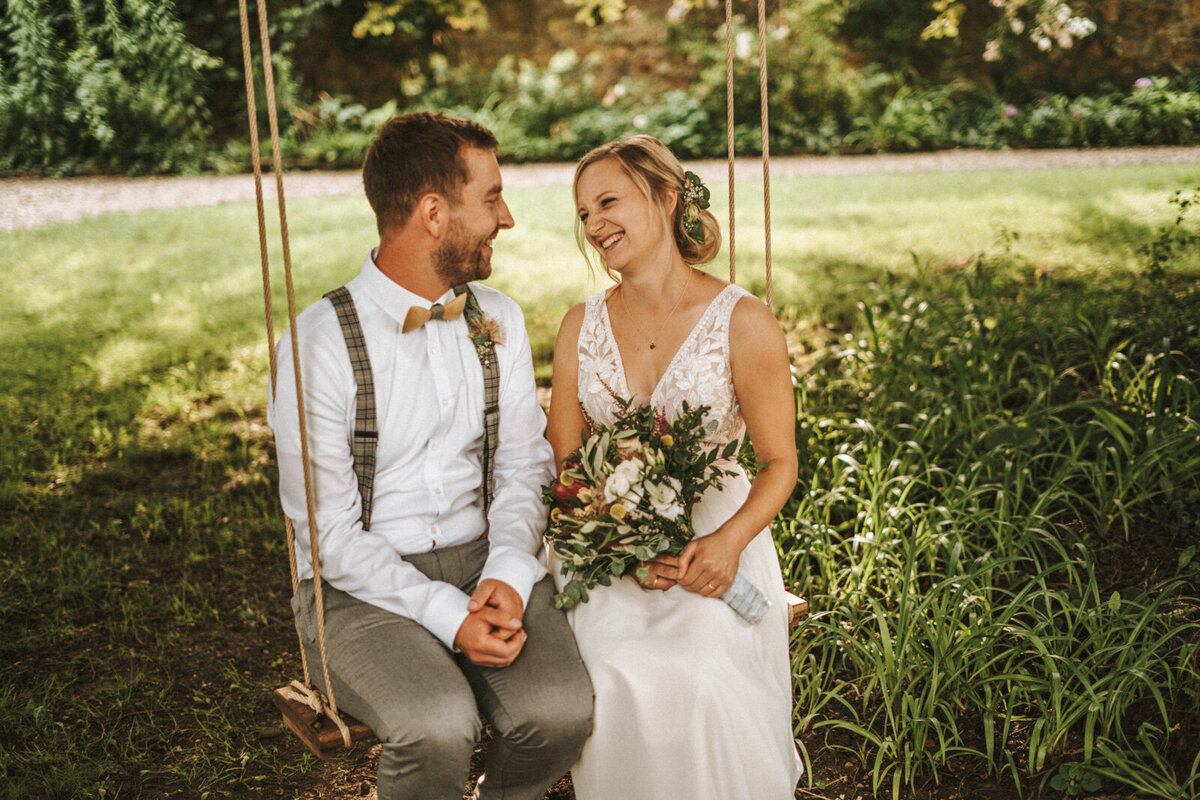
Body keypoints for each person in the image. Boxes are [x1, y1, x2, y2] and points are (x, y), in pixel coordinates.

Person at [268, 111, 593, 800]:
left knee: (561, 714)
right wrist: (450, 616)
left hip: (484, 556)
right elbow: (328, 537)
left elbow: (521, 467)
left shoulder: (495, 318)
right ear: (434, 212)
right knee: (439, 724)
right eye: (492, 197)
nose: (505, 219)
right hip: (358, 590)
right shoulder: (318, 345)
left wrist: (506, 570)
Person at [546, 134, 803, 799]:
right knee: (613, 672)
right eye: (583, 214)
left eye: (607, 202)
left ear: (664, 196)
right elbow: (567, 461)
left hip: (720, 527)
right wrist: (617, 543)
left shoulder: (742, 322)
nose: (594, 225)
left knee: (700, 674)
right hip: (605, 537)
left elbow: (779, 463)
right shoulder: (581, 325)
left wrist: (726, 544)